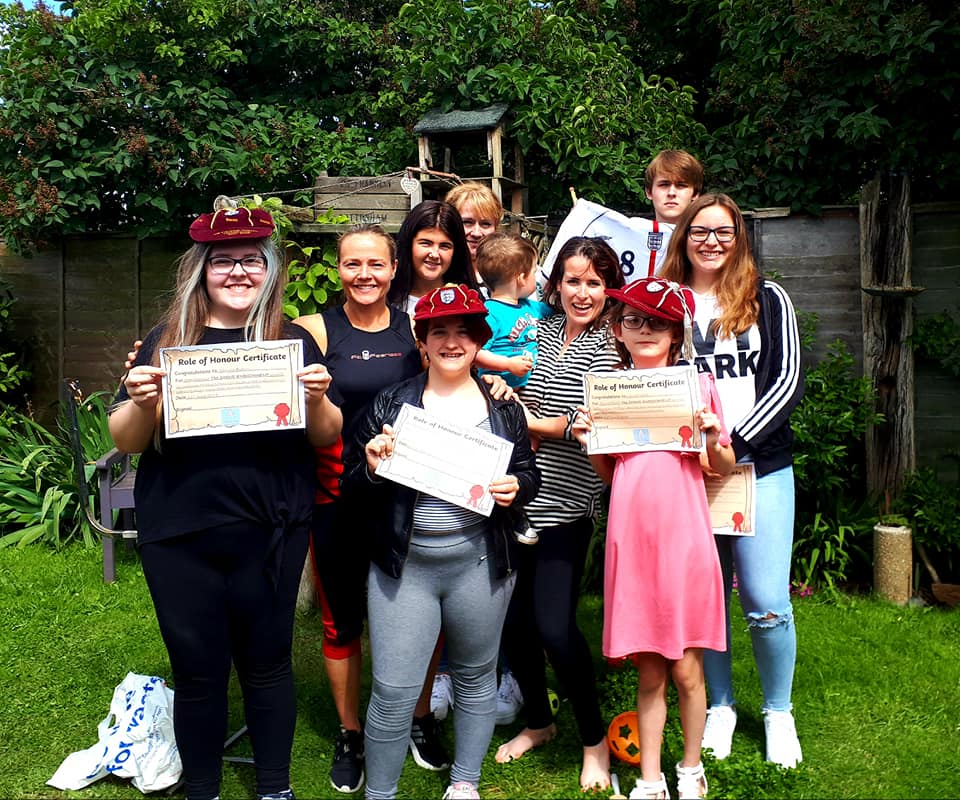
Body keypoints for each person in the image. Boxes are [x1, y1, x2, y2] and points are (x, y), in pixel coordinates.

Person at [108, 206, 343, 800]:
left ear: (268, 269)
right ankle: (203, 788)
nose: (238, 271)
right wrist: (140, 400)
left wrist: (316, 398)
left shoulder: (291, 340)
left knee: (267, 663)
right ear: (201, 271)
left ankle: (274, 787)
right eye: (223, 261)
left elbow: (326, 432)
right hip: (182, 531)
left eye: (250, 260)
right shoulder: (167, 342)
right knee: (196, 670)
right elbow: (128, 440)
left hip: (271, 530)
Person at [343, 284, 541, 800]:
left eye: (463, 331)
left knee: (477, 675)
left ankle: (464, 784)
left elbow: (527, 474)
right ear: (423, 342)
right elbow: (349, 485)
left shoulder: (503, 406)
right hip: (405, 567)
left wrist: (515, 488)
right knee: (392, 690)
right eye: (439, 332)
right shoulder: (394, 401)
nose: (452, 342)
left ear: (479, 339)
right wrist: (371, 466)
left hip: (478, 561)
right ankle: (380, 794)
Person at [573, 277, 735, 800]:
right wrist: (587, 437)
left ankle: (690, 767)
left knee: (688, 669)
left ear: (675, 333)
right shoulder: (608, 387)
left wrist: (711, 433)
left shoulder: (697, 385)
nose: (644, 330)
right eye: (633, 320)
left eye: (657, 322)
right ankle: (649, 778)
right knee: (649, 670)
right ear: (618, 330)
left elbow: (722, 464)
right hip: (633, 538)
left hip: (684, 537)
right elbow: (607, 472)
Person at [659, 194, 805, 769]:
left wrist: (732, 447)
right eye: (700, 231)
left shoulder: (768, 297)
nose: (711, 241)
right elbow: (645, 371)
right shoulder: (668, 300)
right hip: (684, 473)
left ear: (739, 237)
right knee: (707, 599)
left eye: (723, 231)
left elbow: (788, 377)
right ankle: (720, 705)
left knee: (767, 600)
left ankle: (778, 710)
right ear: (683, 236)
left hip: (757, 468)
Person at [292, 225, 428, 793]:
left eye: (376, 264)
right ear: (339, 268)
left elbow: (457, 366)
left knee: (420, 617)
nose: (365, 275)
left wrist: (496, 385)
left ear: (394, 269)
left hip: (405, 495)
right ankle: (351, 733)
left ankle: (418, 721)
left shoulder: (415, 327)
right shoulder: (313, 329)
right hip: (336, 497)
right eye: (352, 265)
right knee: (341, 618)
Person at [496, 237, 625, 791]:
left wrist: (515, 410)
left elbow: (573, 425)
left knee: (554, 626)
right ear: (556, 284)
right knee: (512, 625)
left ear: (607, 290)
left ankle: (595, 741)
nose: (582, 291)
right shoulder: (540, 333)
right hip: (512, 496)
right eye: (573, 280)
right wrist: (499, 385)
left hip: (568, 505)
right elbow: (505, 379)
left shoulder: (611, 348)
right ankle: (539, 723)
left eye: (594, 282)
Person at [474, 232, 551, 390]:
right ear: (521, 278)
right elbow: (476, 353)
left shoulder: (533, 307)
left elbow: (561, 313)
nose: (536, 278)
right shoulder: (489, 313)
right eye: (534, 272)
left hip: (530, 390)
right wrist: (507, 364)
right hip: (497, 390)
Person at [387, 200, 480, 314]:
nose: (435, 254)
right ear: (409, 244)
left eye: (445, 246)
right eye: (426, 243)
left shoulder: (468, 304)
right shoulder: (384, 301)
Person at [643, 150, 704, 277]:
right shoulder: (632, 239)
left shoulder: (707, 244)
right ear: (649, 192)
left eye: (681, 185)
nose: (671, 193)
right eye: (664, 185)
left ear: (695, 193)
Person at [444, 181, 504, 290]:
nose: (476, 233)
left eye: (485, 224)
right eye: (467, 222)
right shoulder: (438, 273)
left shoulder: (507, 272)